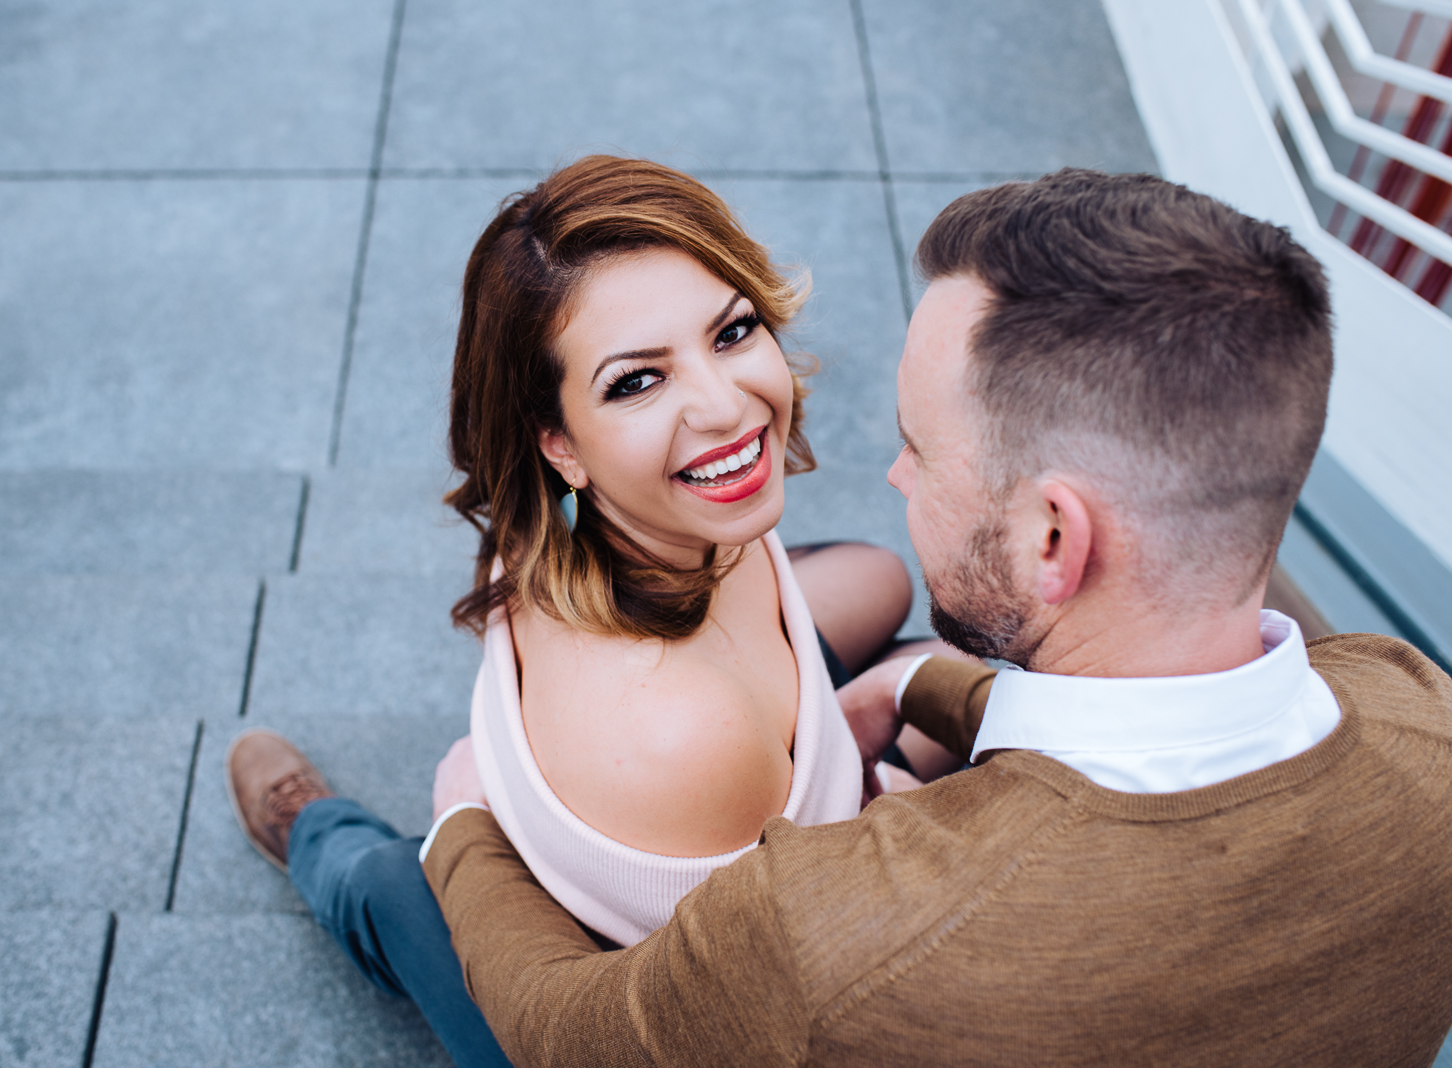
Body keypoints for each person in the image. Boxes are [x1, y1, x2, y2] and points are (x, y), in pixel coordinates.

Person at [420, 169, 1452, 1067]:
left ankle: (326, 846)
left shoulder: (844, 937)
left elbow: (566, 1030)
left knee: (384, 887)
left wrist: (465, 827)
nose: (894, 472)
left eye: (924, 451)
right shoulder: (1424, 719)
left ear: (1055, 539)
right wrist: (919, 683)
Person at [225, 156, 935, 1065]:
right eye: (637, 381)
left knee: (882, 585)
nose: (726, 408)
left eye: (732, 331)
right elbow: (781, 1016)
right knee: (387, 883)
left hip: (668, 792)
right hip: (610, 1008)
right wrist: (907, 820)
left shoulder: (570, 517)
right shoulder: (688, 738)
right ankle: (316, 837)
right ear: (558, 442)